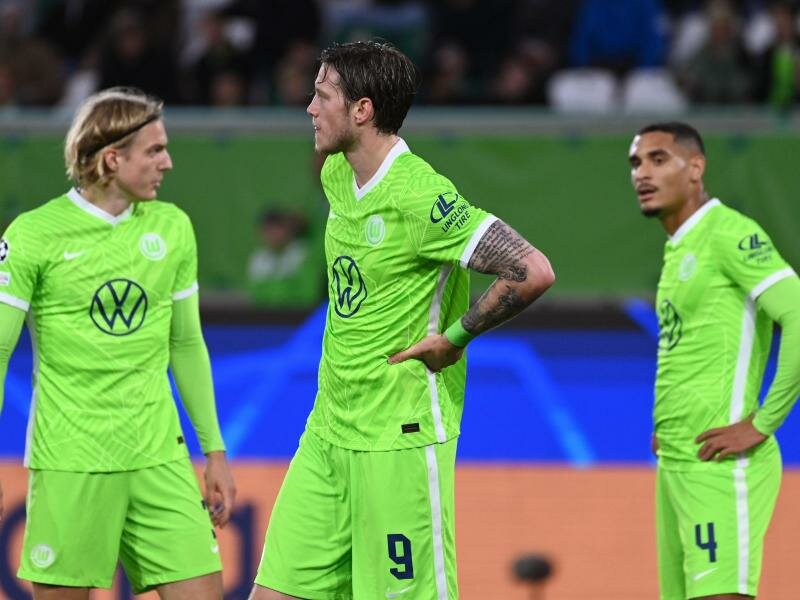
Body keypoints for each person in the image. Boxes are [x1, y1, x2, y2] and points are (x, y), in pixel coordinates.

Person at [249, 40, 555, 600]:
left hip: (400, 442)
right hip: (326, 435)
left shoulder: (422, 197)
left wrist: (456, 339)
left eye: (322, 96)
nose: (309, 108)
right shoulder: (336, 174)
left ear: (362, 110)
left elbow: (531, 270)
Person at [0, 87, 236, 599]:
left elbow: (187, 344)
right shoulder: (35, 235)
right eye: (154, 151)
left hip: (159, 457)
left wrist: (214, 451)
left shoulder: (173, 228)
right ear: (112, 158)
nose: (168, 163)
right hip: (72, 459)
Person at [628, 122, 800, 600]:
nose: (642, 173)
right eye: (636, 163)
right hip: (678, 462)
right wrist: (669, 422)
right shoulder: (681, 244)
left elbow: (798, 314)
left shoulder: (729, 233)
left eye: (658, 160)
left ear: (696, 167)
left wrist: (764, 423)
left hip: (721, 465)